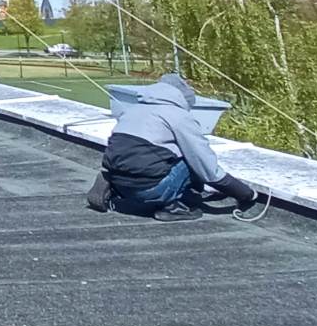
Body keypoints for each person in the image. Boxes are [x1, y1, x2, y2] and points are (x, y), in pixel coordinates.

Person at [91, 73, 258, 221]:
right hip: (149, 191)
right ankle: (172, 207)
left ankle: (110, 186)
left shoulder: (132, 111)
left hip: (119, 183)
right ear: (181, 98)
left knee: (151, 153)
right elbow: (206, 166)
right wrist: (245, 194)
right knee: (189, 158)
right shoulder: (178, 116)